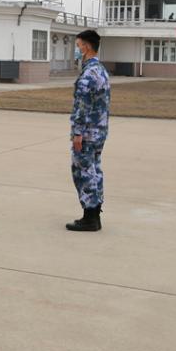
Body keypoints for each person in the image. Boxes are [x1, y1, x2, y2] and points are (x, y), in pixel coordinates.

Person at [66, 29, 110, 232]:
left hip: (86, 133)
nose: (77, 50)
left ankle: (90, 216)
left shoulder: (88, 74)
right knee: (95, 170)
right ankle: (95, 214)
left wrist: (77, 133)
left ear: (86, 46)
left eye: (78, 46)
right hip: (99, 131)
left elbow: (82, 107)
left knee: (83, 172)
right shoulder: (101, 70)